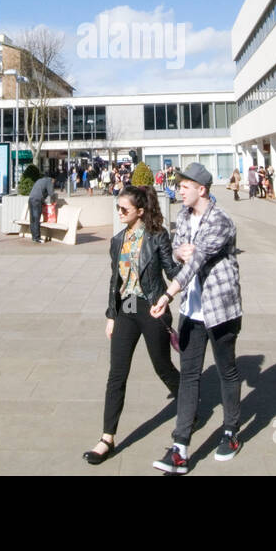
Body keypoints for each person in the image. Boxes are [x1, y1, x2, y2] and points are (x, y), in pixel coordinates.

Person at [149, 163, 243, 474]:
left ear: (201, 189)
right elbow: (178, 250)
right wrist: (178, 253)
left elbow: (196, 261)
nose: (179, 190)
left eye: (184, 186)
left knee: (227, 371)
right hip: (192, 310)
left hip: (220, 310)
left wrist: (166, 295)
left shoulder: (220, 221)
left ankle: (230, 432)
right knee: (189, 376)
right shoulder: (183, 216)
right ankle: (180, 448)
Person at [83, 186, 181, 465]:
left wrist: (188, 261)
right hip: (125, 310)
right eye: (117, 209)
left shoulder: (157, 237)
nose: (119, 213)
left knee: (162, 367)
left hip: (151, 308)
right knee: (117, 374)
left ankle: (186, 403)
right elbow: (115, 281)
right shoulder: (117, 241)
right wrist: (111, 315)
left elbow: (171, 272)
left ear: (140, 211)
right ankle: (106, 439)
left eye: (124, 209)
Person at [28, 173, 55, 243]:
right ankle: (37, 238)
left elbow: (41, 191)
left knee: (32, 219)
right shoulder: (49, 181)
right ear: (52, 179)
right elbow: (51, 193)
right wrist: (54, 201)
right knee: (37, 219)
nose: (54, 183)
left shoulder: (40, 180)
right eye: (54, 181)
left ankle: (34, 237)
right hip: (37, 201)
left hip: (31, 199)